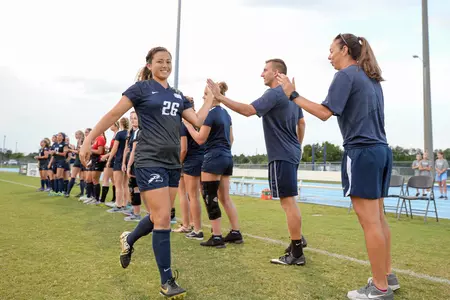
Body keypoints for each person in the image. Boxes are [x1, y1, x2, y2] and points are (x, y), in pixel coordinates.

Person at [79, 46, 213, 299]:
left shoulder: (176, 94)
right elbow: (114, 114)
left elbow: (196, 120)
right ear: (150, 65)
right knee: (163, 218)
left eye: (168, 61)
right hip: (149, 160)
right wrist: (89, 139)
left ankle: (129, 239)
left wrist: (210, 98)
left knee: (160, 215)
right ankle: (167, 282)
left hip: (173, 163)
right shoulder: (140, 89)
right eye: (160, 61)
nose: (165, 65)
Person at [277, 33, 397, 299]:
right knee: (378, 218)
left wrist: (292, 94)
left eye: (331, 50)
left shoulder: (346, 75)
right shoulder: (371, 77)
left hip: (362, 152)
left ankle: (379, 287)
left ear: (345, 49)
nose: (328, 56)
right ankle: (387, 276)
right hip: (380, 151)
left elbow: (323, 113)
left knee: (370, 223)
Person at [207, 59, 306, 262]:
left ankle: (296, 252)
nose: (262, 74)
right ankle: (298, 239)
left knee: (288, 203)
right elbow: (302, 123)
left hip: (281, 154)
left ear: (276, 73)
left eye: (265, 70)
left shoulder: (275, 93)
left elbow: (248, 110)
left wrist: (220, 97)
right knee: (290, 201)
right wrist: (298, 146)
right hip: (291, 153)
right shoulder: (290, 93)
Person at [185, 82, 242, 248]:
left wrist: (189, 126)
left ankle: (216, 236)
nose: (203, 97)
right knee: (225, 197)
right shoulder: (226, 114)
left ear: (213, 95)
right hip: (226, 157)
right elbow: (231, 139)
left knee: (210, 196)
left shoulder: (210, 114)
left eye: (205, 93)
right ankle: (235, 232)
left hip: (213, 157)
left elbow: (200, 139)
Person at [178, 97, 205, 239]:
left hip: (189, 161)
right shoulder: (200, 121)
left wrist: (178, 163)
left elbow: (183, 149)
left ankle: (191, 226)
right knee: (199, 195)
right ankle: (193, 224)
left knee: (188, 195)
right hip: (202, 159)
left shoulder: (184, 124)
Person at [107, 118, 130, 211]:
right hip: (128, 160)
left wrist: (109, 159)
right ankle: (125, 204)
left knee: (118, 184)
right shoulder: (130, 133)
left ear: (120, 124)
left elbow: (114, 148)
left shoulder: (119, 134)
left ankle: (118, 205)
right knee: (125, 185)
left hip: (119, 160)